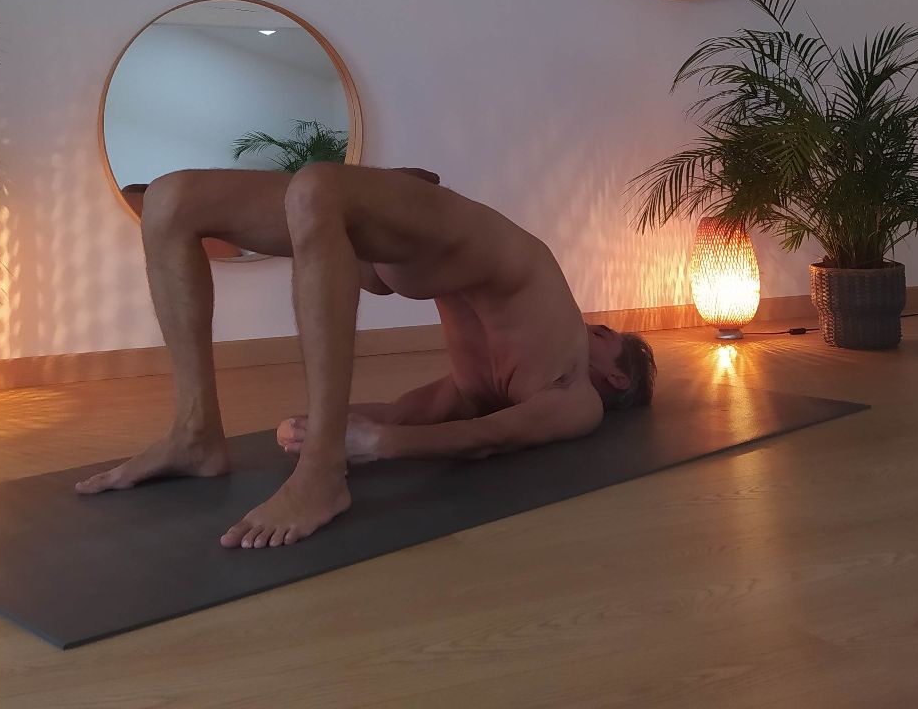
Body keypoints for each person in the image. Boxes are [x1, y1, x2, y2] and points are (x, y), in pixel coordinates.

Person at [76, 165, 657, 550]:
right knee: (170, 199)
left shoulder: (574, 397)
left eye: (607, 333)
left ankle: (322, 474)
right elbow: (408, 413)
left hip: (406, 257)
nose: (593, 323)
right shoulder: (504, 371)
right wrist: (336, 427)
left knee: (316, 190)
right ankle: (194, 433)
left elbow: (484, 436)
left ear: (614, 374)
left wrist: (355, 440)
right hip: (438, 247)